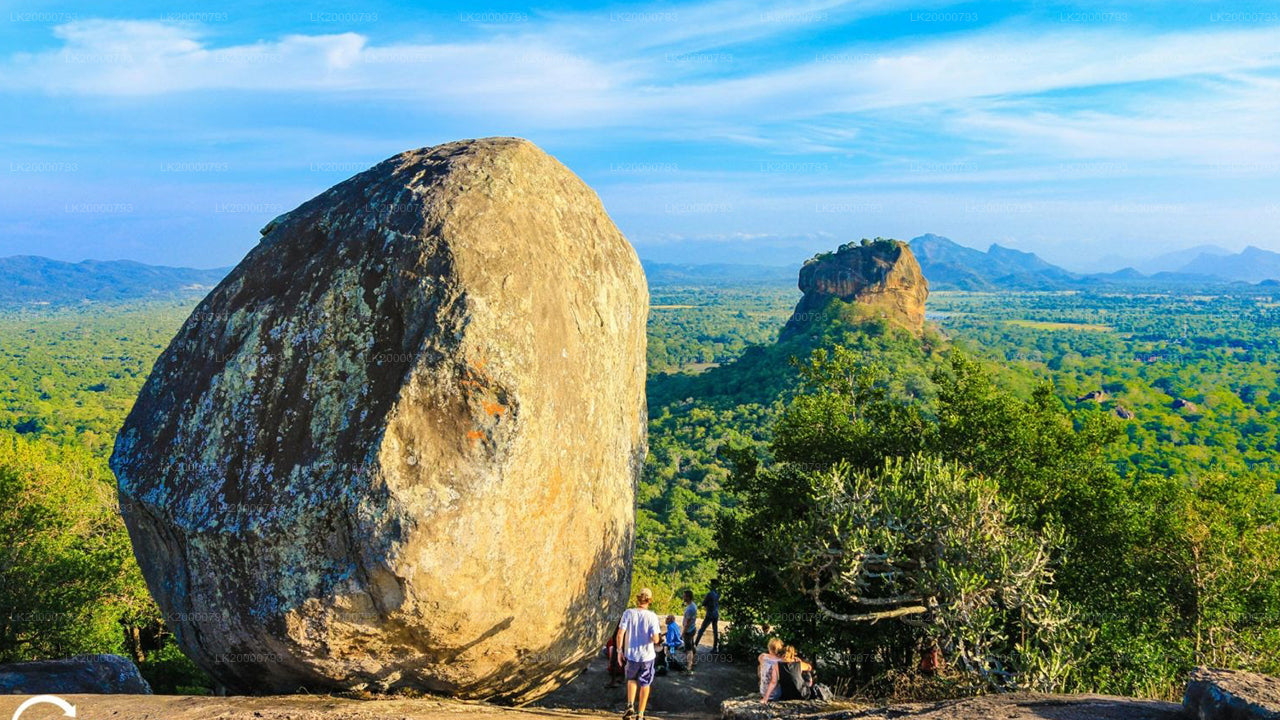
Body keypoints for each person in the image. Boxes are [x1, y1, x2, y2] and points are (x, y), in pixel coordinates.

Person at [617, 588, 662, 720]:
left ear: (638, 599)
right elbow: (656, 639)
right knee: (645, 684)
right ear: (649, 601)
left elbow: (620, 634)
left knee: (631, 679)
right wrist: (655, 638)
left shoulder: (628, 613)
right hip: (647, 656)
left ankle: (630, 705)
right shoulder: (652, 616)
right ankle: (640, 714)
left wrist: (619, 651)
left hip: (631, 655)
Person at [694, 579, 721, 652]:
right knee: (715, 631)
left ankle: (695, 645)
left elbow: (703, 603)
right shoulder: (718, 593)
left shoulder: (710, 594)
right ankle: (715, 647)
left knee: (701, 630)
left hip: (709, 614)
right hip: (716, 613)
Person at [758, 637, 784, 704]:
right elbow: (773, 682)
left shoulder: (762, 657)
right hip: (774, 695)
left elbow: (761, 659)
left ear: (769, 648)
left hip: (762, 691)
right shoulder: (781, 662)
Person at [681, 589, 698, 672]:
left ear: (688, 597)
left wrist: (683, 633)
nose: (683, 597)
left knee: (688, 649)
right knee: (691, 645)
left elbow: (687, 623)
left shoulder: (690, 609)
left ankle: (689, 666)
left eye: (684, 596)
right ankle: (693, 661)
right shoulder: (693, 605)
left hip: (688, 631)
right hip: (692, 628)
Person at [604, 620, 624, 688]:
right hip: (621, 644)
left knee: (614, 662)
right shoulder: (624, 619)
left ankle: (613, 681)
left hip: (617, 644)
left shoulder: (619, 621)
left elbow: (618, 635)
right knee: (622, 661)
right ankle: (621, 678)